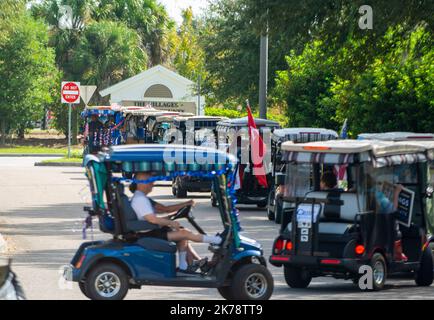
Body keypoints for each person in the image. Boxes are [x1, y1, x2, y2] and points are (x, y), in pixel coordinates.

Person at [130, 172, 222, 274]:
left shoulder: (142, 198)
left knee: (183, 232)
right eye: (149, 181)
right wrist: (170, 222)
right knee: (184, 234)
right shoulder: (140, 199)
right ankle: (217, 240)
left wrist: (182, 207)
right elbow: (152, 219)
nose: (152, 184)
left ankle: (184, 267)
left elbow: (164, 209)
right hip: (147, 234)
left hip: (151, 230)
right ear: (140, 183)